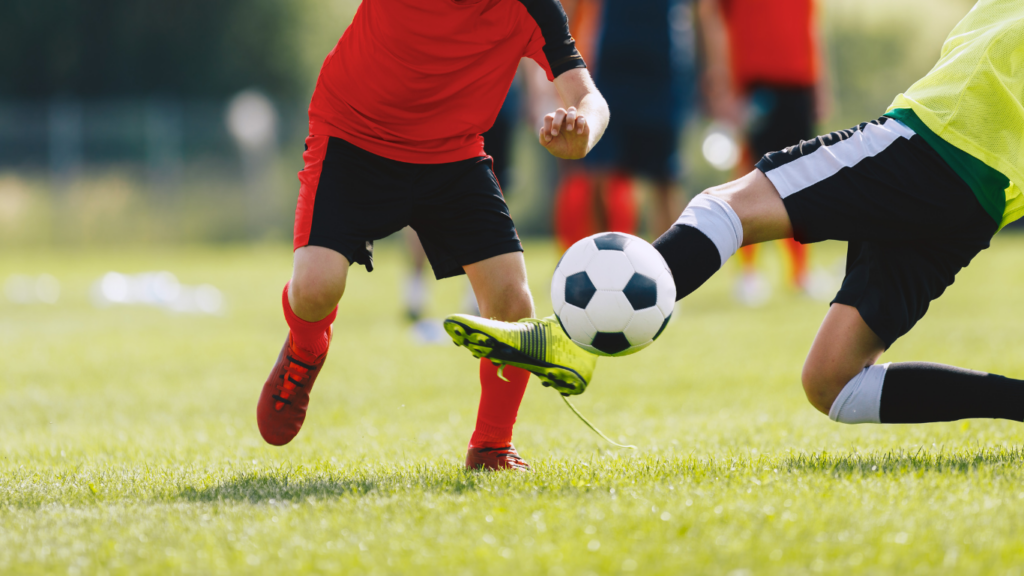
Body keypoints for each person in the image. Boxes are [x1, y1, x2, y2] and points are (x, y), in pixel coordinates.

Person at [445, 0, 1024, 429]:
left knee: (726, 207)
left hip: (934, 141)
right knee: (833, 384)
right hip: (980, 198)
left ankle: (565, 341)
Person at [256, 0, 610, 472]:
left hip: (453, 154)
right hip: (353, 136)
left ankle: (492, 448)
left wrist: (585, 129)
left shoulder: (533, 7)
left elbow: (589, 96)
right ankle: (307, 347)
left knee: (512, 305)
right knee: (316, 288)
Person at [699, 0, 828, 304]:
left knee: (803, 179)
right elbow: (711, 16)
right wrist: (720, 81)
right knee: (749, 178)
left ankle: (801, 272)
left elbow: (813, 23)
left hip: (800, 81)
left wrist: (821, 84)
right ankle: (748, 274)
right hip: (752, 84)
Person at [553, 0, 697, 248]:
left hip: (663, 70)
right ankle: (602, 263)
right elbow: (570, 11)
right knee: (598, 172)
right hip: (609, 71)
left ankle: (673, 268)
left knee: (665, 177)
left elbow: (701, 11)